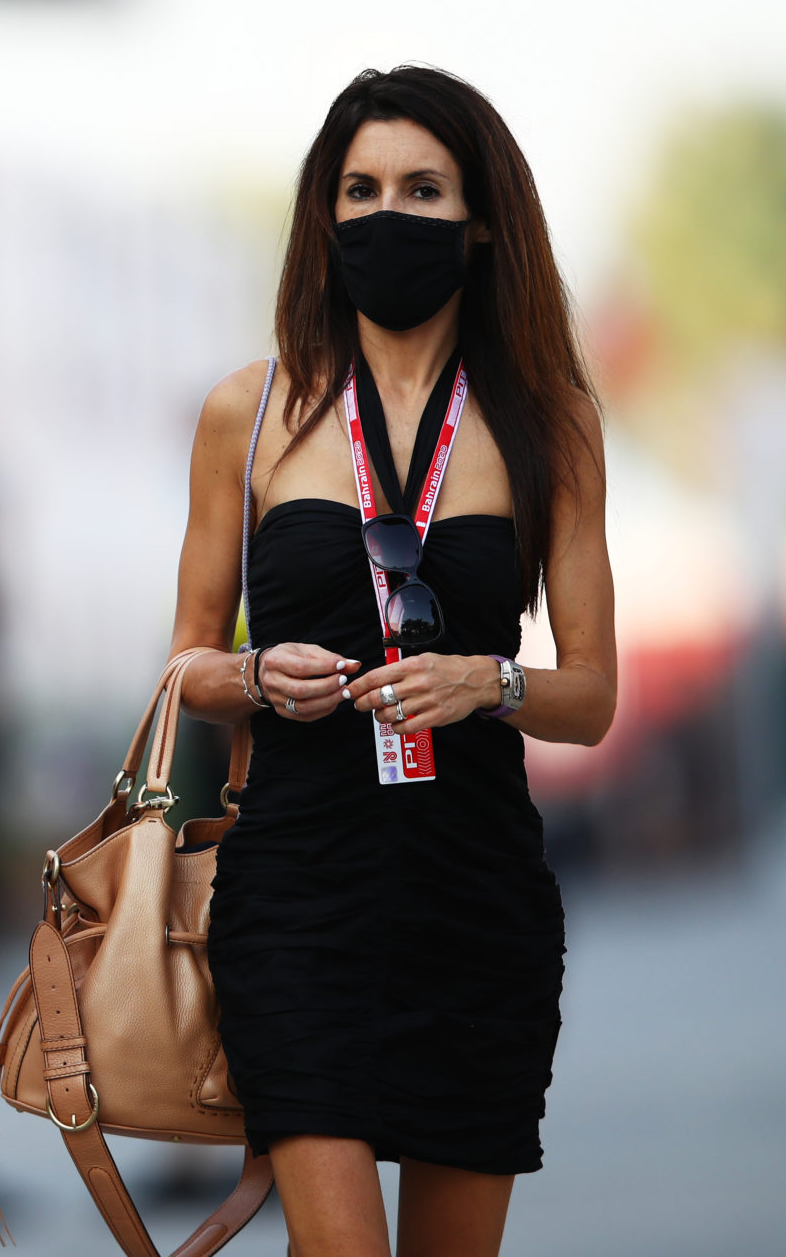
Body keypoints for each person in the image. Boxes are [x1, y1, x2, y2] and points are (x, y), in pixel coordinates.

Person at [169, 66, 615, 1257]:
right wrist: (258, 676)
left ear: (478, 222)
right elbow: (184, 668)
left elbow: (594, 696)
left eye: (422, 188)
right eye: (359, 188)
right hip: (299, 895)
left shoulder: (550, 422)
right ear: (326, 216)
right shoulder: (248, 413)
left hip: (476, 900)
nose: (386, 213)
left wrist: (490, 681)